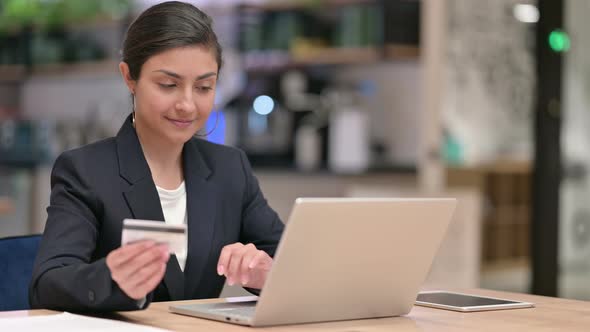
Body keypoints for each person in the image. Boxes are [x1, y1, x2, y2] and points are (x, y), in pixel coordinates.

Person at [29, 1, 284, 311]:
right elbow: (48, 286)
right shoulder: (85, 171)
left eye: (204, 87)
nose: (188, 104)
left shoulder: (230, 169)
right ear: (129, 77)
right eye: (168, 85)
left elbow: (295, 263)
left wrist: (266, 274)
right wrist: (113, 278)